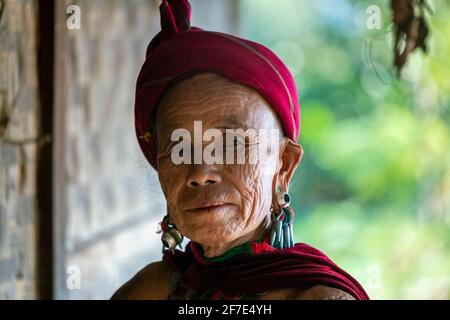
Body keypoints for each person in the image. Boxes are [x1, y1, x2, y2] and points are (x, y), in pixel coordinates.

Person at [112, 0, 369, 300]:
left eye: (232, 144)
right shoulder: (148, 292)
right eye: (179, 148)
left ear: (284, 165)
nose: (199, 173)